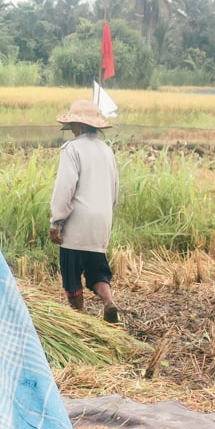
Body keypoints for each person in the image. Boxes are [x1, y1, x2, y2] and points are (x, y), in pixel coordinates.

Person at [48, 99, 120, 324]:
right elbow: (115, 189)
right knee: (97, 271)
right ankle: (108, 302)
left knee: (72, 275)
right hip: (102, 220)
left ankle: (82, 321)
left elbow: (65, 188)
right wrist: (108, 215)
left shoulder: (72, 149)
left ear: (77, 126)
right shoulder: (106, 150)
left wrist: (56, 221)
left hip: (77, 223)